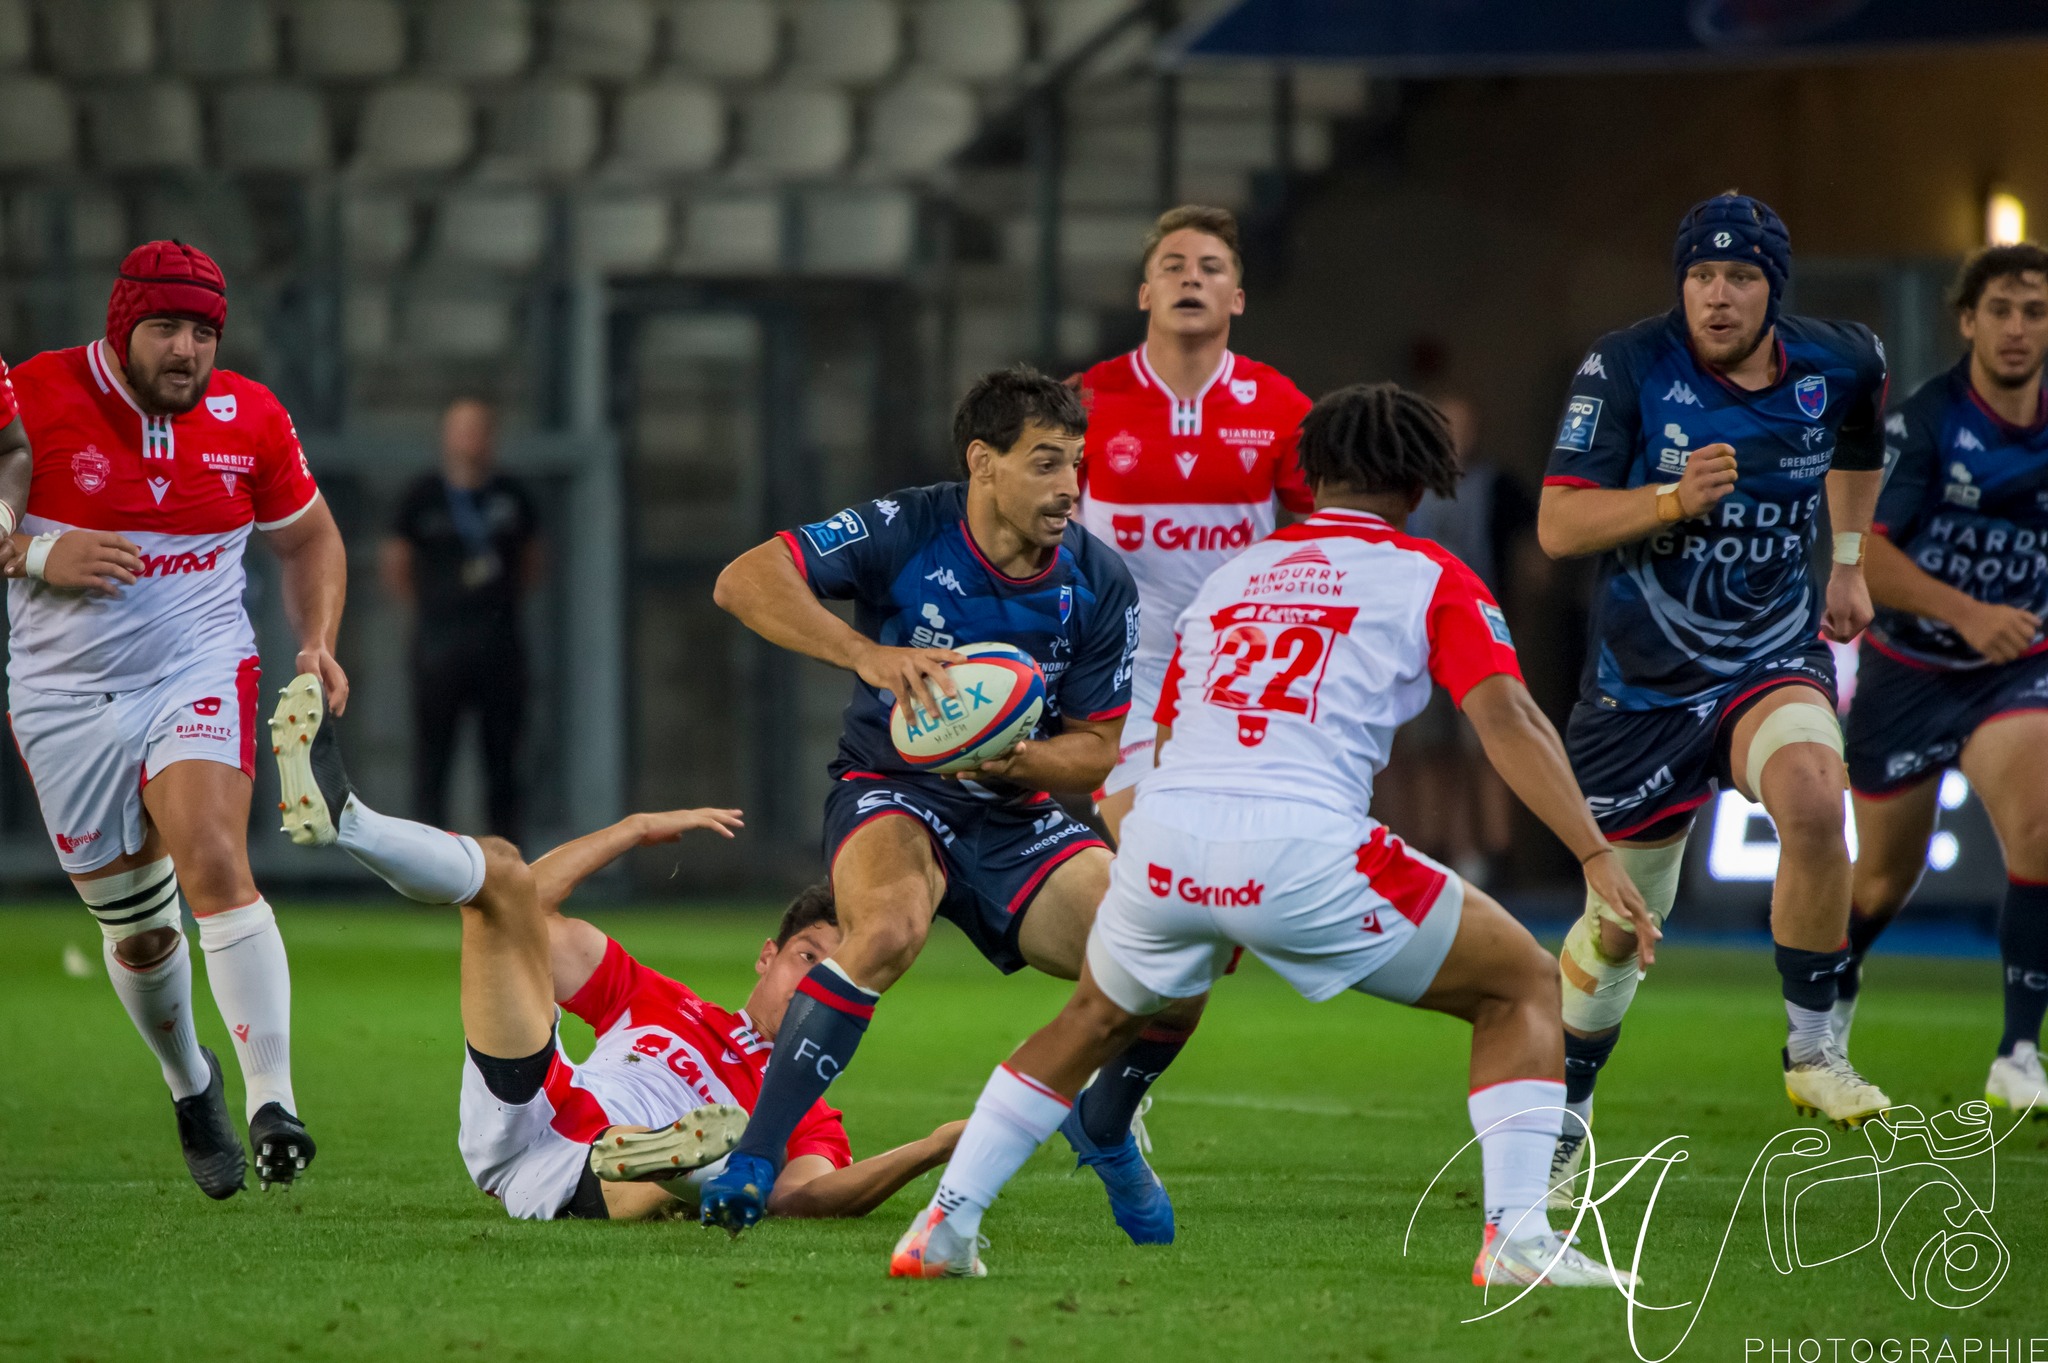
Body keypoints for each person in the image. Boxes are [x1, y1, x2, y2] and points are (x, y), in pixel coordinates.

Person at [887, 383, 1653, 1287]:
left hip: (1167, 835)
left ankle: (946, 1221)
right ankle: (1518, 1240)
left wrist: (1208, 890)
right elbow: (1510, 719)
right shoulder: (1430, 574)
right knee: (1521, 984)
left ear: (1313, 474)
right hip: (1303, 846)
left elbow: (1168, 734)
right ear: (1421, 486)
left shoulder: (1233, 577)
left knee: (1094, 1016)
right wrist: (1598, 856)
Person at [698, 366, 1196, 1242]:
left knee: (1172, 956)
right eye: (1046, 463)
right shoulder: (907, 526)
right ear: (984, 463)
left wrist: (1020, 757)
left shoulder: (1098, 581)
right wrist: (865, 653)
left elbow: (1096, 751)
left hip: (1012, 810)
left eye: (1078, 464)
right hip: (892, 785)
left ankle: (1107, 1126)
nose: (1071, 487)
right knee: (885, 930)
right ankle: (754, 1159)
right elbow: (745, 579)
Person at [269, 674, 965, 1221]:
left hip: (593, 1178)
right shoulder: (657, 997)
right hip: (538, 1102)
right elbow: (531, 908)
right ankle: (347, 820)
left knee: (706, 1168)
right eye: (808, 958)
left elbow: (809, 1194)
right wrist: (631, 828)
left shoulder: (809, 1109)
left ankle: (666, 1162)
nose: (814, 984)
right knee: (504, 872)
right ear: (767, 955)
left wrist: (933, 1147)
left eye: (836, 975)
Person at [1536, 193, 1893, 1195]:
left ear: (1772, 288)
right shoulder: (1625, 366)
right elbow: (1557, 527)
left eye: (1738, 277)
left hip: (1767, 653)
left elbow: (1860, 441)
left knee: (1817, 799)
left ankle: (1812, 1049)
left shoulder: (1842, 359)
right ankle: (1563, 1110)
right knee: (1616, 930)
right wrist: (1666, 499)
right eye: (1699, 276)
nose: (1716, 295)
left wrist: (1849, 560)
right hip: (1640, 684)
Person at [3, 240, 348, 1198]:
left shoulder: (251, 416)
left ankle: (274, 1099)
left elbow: (311, 537)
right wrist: (37, 557)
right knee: (141, 936)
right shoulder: (33, 397)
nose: (186, 351)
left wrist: (316, 641)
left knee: (215, 859)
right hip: (62, 695)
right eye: (165, 329)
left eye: (202, 331)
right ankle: (189, 1081)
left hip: (196, 667)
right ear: (123, 328)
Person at [1839, 243, 2048, 1114]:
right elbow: (1870, 561)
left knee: (2039, 825)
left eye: (2035, 311)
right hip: (1912, 669)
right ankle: (1828, 997)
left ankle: (2018, 1049)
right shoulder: (1924, 422)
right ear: (1967, 320)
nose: (2017, 327)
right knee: (1885, 879)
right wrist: (1968, 613)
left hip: (2018, 670)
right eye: (2000, 308)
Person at [1075, 204, 1314, 842]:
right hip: (1123, 666)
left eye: (1210, 269)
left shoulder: (1282, 404)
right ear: (1145, 293)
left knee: (1227, 855)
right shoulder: (1085, 400)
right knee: (1154, 848)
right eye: (1173, 267)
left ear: (1236, 298)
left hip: (1242, 666)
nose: (1191, 280)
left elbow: (1333, 524)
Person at [1394, 392, 1541, 883]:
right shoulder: (1404, 488)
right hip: (1418, 635)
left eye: (1461, 427)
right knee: (1431, 750)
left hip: (1481, 630)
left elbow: (1531, 555)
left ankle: (1495, 854)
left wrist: (1519, 612)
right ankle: (1440, 849)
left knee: (1491, 743)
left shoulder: (1497, 486)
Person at [382, 397, 540, 842]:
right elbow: (396, 566)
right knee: (433, 759)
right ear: (446, 437)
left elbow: (532, 563)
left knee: (504, 760)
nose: (470, 440)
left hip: (500, 646)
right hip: (438, 649)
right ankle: (429, 866)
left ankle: (508, 866)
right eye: (461, 429)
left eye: (478, 430)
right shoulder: (422, 497)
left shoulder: (512, 495)